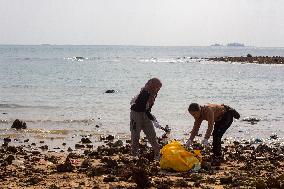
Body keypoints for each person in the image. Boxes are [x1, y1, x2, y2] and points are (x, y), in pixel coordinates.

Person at [130, 78, 163, 160]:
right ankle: (134, 155)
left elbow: (148, 109)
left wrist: (154, 120)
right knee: (135, 135)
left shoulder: (153, 94)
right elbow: (142, 108)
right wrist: (153, 119)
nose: (158, 89)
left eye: (159, 88)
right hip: (136, 114)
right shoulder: (144, 93)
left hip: (145, 114)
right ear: (152, 86)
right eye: (157, 87)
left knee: (152, 134)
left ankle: (157, 154)